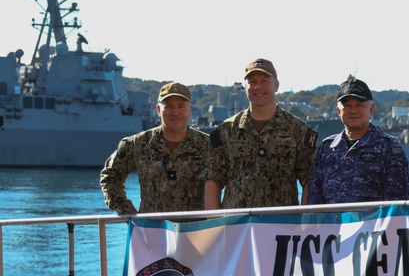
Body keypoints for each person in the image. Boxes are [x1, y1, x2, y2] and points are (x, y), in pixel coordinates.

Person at [204, 58, 317, 209]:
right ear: (245, 87)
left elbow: (309, 179)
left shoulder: (297, 130)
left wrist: (304, 224)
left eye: (264, 81)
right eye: (252, 82)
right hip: (236, 226)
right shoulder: (227, 130)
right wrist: (215, 225)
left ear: (276, 86)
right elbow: (213, 179)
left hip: (282, 226)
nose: (258, 87)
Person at [100, 82, 211, 215]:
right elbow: (110, 176)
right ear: (158, 110)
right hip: (152, 230)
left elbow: (229, 178)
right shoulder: (138, 144)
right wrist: (126, 209)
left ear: (190, 110)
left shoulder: (208, 145)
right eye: (168, 106)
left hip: (197, 230)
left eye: (181, 106)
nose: (175, 112)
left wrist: (219, 216)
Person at [307, 76, 408, 204]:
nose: (353, 110)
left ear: (371, 109)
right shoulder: (327, 148)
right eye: (347, 106)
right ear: (338, 111)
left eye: (359, 105)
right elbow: (315, 197)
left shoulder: (388, 146)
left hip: (373, 223)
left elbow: (396, 201)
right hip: (333, 223)